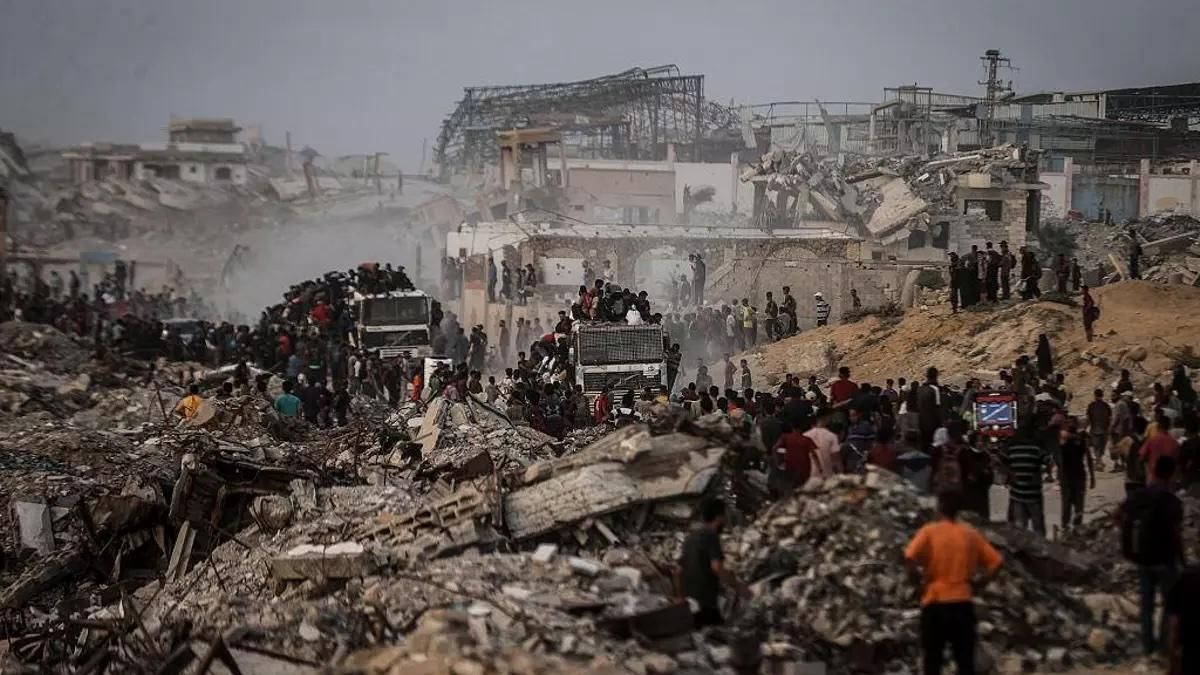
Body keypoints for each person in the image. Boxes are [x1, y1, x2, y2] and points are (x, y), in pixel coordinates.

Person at [904, 490, 1003, 675]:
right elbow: (997, 562)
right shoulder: (969, 534)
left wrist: (917, 584)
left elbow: (909, 558)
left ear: (940, 507)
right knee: (965, 661)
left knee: (933, 660)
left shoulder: (929, 532)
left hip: (934, 601)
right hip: (962, 602)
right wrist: (981, 583)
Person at [1122, 456, 1185, 655]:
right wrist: (1182, 559)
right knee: (1170, 605)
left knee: (1146, 605)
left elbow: (1118, 515)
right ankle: (1164, 646)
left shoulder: (1140, 495)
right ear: (1171, 474)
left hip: (1143, 557)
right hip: (1165, 560)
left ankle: (1147, 645)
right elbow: (1176, 534)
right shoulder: (1172, 501)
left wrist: (1128, 539)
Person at [674, 498, 743, 628]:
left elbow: (678, 571)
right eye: (725, 516)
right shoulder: (711, 536)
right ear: (719, 517)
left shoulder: (690, 538)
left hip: (690, 604)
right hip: (706, 603)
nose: (726, 521)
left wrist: (679, 597)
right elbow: (717, 568)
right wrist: (738, 586)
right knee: (721, 637)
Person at [1005, 427, 1049, 535]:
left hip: (1017, 493)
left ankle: (1023, 549)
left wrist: (1010, 475)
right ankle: (1039, 549)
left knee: (1020, 526)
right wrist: (1041, 472)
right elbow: (1049, 461)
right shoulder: (1036, 449)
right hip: (1033, 493)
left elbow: (1000, 463)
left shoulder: (1012, 449)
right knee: (1037, 525)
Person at [1058, 418, 1095, 530]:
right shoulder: (1066, 438)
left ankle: (1072, 527)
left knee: (1073, 503)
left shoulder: (1079, 439)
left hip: (1073, 475)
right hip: (1070, 475)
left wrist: (1092, 476)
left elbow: (1088, 457)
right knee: (1070, 503)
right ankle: (1067, 527)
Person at [1140, 410, 1181, 486]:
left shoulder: (1152, 440)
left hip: (1153, 479)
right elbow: (1178, 462)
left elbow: (1141, 457)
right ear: (1169, 426)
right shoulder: (1175, 443)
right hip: (1170, 481)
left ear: (1158, 426)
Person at [1085, 388, 1113, 471]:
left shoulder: (1091, 405)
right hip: (1104, 429)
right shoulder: (1106, 406)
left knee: (1096, 447)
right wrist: (1109, 429)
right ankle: (1099, 462)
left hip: (1094, 429)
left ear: (1095, 395)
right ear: (1102, 395)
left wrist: (1085, 428)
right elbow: (1110, 418)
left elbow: (1088, 418)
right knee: (1101, 447)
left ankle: (1098, 463)